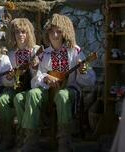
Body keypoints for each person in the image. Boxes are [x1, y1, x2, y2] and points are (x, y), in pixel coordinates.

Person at [20, 13, 96, 152]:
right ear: (47, 33)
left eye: (59, 31)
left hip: (70, 90)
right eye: (51, 31)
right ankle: (30, 141)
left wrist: (82, 71)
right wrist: (45, 77)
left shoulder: (75, 51)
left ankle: (64, 142)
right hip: (47, 91)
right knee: (32, 94)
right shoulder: (44, 53)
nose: (55, 35)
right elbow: (36, 79)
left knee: (62, 95)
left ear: (65, 33)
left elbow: (90, 80)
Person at [7, 18, 40, 148]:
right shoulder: (10, 54)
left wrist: (36, 68)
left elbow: (42, 75)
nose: (20, 35)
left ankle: (27, 135)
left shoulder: (37, 51)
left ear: (29, 33)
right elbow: (6, 78)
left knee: (21, 98)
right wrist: (10, 77)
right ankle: (21, 134)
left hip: (33, 87)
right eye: (17, 32)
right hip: (17, 88)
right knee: (17, 97)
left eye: (24, 32)